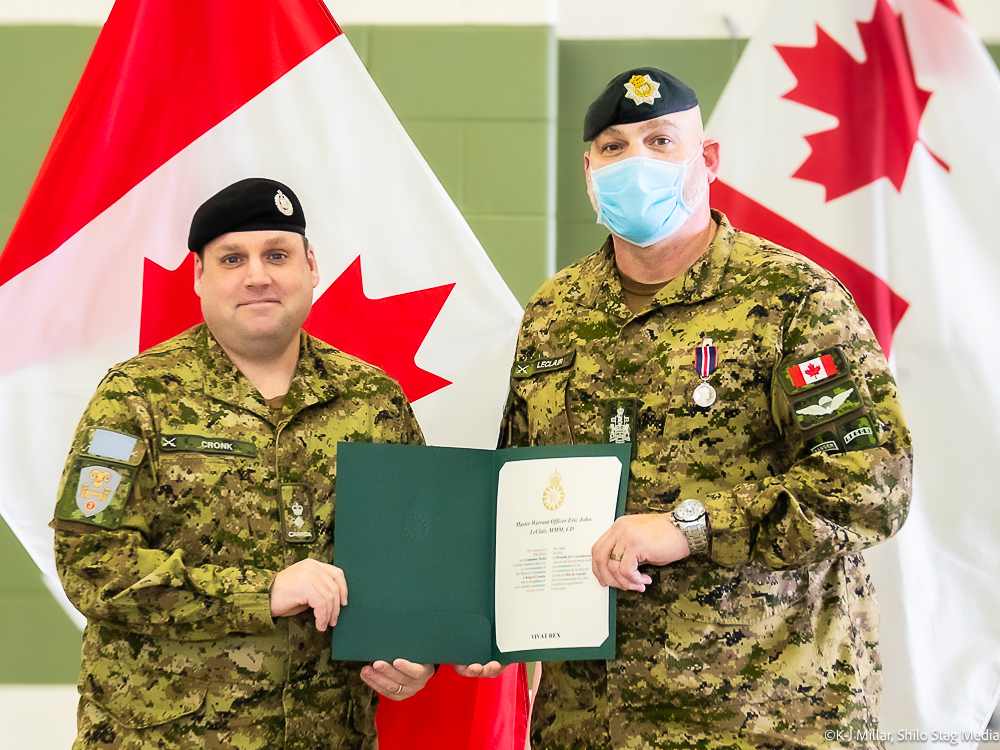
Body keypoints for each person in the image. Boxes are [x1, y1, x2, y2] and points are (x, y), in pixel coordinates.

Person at [496, 68, 913, 747]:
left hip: (764, 714)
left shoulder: (793, 299)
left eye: (661, 140)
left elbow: (869, 487)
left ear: (707, 159)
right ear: (588, 168)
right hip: (589, 720)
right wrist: (485, 621)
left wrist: (689, 527)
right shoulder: (554, 313)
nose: (635, 162)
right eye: (613, 147)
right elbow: (515, 484)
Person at [52, 178, 434, 749]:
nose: (258, 275)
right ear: (200, 278)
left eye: (277, 255)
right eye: (233, 258)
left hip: (328, 734)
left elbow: (418, 554)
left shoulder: (374, 400)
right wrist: (262, 590)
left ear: (310, 266)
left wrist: (416, 656)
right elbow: (91, 563)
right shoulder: (136, 398)